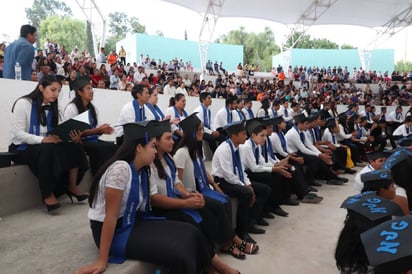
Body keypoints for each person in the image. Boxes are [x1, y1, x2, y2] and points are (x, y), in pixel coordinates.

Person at [74, 121, 231, 274]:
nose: (156, 152)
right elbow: (111, 216)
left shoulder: (143, 170)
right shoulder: (120, 170)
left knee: (190, 231)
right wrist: (102, 260)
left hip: (133, 220)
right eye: (152, 147)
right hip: (114, 229)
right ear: (139, 148)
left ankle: (218, 267)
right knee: (178, 250)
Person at [152, 118, 256, 262]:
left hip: (191, 191)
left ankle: (228, 242)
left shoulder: (192, 151)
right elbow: (179, 181)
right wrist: (187, 196)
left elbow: (185, 178)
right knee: (214, 206)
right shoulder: (181, 153)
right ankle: (232, 241)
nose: (202, 132)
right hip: (184, 195)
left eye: (202, 129)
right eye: (199, 129)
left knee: (224, 200)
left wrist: (215, 185)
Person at [8, 75, 88, 213]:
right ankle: (47, 193)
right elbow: (18, 134)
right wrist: (43, 140)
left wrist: (70, 137)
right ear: (41, 88)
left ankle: (72, 185)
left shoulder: (54, 107)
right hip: (21, 147)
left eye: (58, 91)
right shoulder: (23, 103)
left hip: (46, 144)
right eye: (53, 90)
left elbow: (56, 132)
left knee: (75, 146)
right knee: (46, 149)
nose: (56, 94)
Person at [212, 121, 271, 243]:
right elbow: (228, 175)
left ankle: (252, 221)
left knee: (265, 189)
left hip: (235, 178)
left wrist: (248, 184)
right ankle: (241, 232)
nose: (246, 136)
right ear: (234, 136)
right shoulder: (224, 149)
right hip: (222, 182)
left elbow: (241, 170)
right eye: (243, 134)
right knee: (246, 193)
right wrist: (246, 187)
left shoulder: (239, 148)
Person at [335, 169, 402, 273]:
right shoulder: (381, 214)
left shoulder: (358, 210)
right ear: (383, 190)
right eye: (392, 186)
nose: (395, 189)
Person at [63, 76, 118, 175]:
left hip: (92, 140)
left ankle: (108, 178)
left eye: (92, 88)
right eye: (88, 89)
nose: (92, 91)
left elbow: (95, 130)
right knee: (100, 149)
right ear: (80, 92)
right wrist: (97, 130)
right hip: (78, 142)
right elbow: (72, 132)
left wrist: (102, 130)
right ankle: (97, 178)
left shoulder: (93, 109)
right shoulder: (72, 108)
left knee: (113, 147)